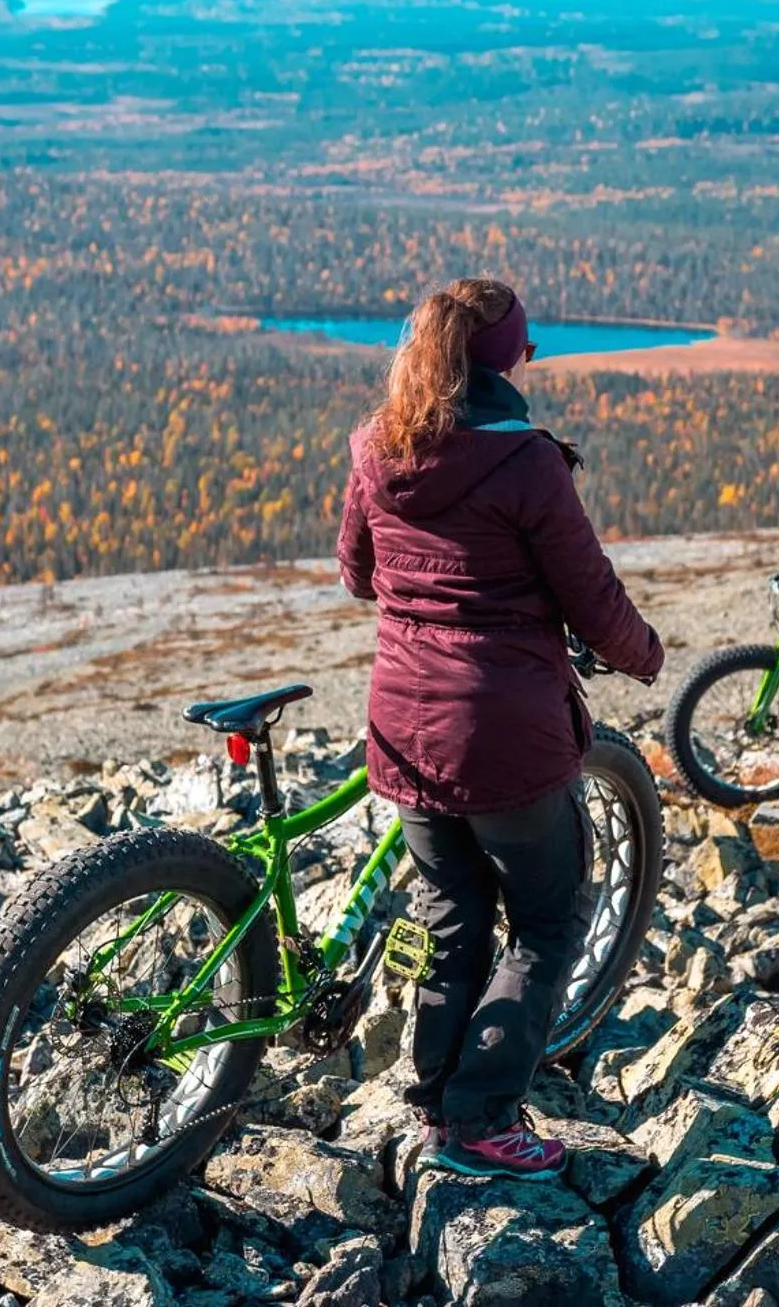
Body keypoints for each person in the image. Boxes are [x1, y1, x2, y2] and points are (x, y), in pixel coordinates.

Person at [336, 277, 664, 1180]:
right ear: (504, 358)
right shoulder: (526, 464)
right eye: (525, 346)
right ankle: (484, 1118)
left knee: (454, 922)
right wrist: (645, 656)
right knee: (549, 924)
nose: (531, 358)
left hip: (403, 733)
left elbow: (357, 574)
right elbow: (592, 600)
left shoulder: (376, 446)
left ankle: (437, 1094)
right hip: (507, 738)